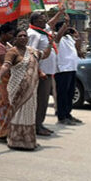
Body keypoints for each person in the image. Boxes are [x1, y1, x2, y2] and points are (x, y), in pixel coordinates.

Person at [0, 28, 54, 150]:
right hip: (17, 89)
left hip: (30, 90)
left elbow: (45, 54)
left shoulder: (32, 51)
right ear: (15, 39)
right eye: (20, 36)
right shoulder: (12, 52)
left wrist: (51, 44)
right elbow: (6, 65)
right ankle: (15, 141)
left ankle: (28, 141)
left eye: (25, 36)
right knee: (17, 114)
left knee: (29, 115)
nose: (23, 38)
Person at [27, 8, 64, 137]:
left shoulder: (42, 31)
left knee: (43, 101)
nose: (45, 22)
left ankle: (39, 124)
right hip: (40, 73)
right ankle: (36, 125)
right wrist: (39, 70)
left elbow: (51, 23)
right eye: (42, 20)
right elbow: (31, 54)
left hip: (48, 72)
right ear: (35, 21)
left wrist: (60, 13)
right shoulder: (33, 34)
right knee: (40, 100)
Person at [54, 18, 83, 126]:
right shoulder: (57, 37)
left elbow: (78, 47)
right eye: (65, 27)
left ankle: (68, 114)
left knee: (70, 93)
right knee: (62, 94)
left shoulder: (68, 38)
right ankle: (61, 116)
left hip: (72, 68)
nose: (68, 29)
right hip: (62, 69)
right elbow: (58, 37)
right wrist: (65, 25)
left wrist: (77, 35)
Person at [0, 23, 15, 141]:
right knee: (2, 104)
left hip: (8, 77)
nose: (12, 36)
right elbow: (6, 61)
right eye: (10, 34)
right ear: (4, 34)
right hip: (1, 77)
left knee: (8, 104)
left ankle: (6, 131)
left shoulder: (7, 44)